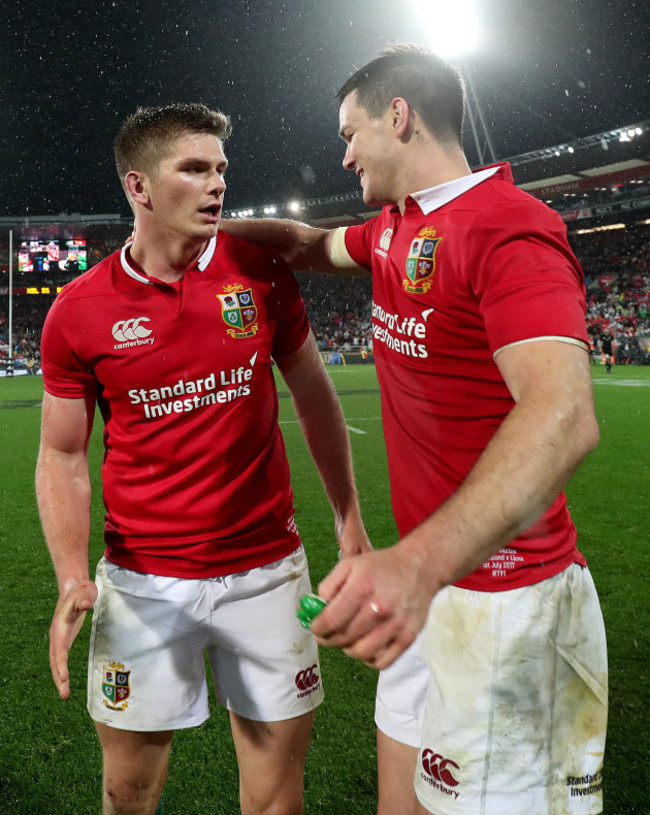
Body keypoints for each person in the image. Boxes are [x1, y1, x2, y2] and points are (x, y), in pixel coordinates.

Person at [219, 45, 608, 815]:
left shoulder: (510, 227)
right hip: (425, 589)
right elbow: (304, 246)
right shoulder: (396, 228)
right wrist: (198, 226)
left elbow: (564, 416)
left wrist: (417, 564)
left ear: (399, 117)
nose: (344, 153)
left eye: (349, 132)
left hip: (504, 601)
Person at [36, 102, 370, 815]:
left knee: (276, 795)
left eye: (220, 168)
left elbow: (314, 398)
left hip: (268, 575)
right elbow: (63, 454)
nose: (216, 183)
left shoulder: (258, 271)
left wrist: (349, 520)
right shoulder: (78, 309)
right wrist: (71, 574)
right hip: (142, 584)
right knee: (128, 792)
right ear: (139, 187)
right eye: (194, 168)